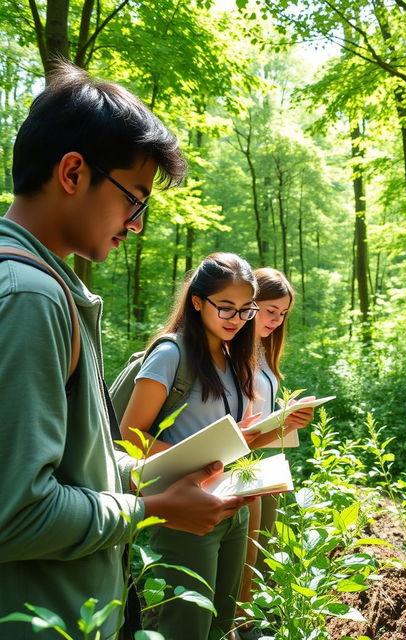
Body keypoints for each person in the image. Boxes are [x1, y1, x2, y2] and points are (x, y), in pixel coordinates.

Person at [0, 62, 250, 640]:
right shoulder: (30, 296)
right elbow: (16, 511)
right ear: (71, 173)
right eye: (133, 198)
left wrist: (148, 474)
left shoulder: (49, 287)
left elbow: (69, 465)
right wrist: (154, 511)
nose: (136, 225)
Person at [119, 253, 297, 640]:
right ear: (197, 301)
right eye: (226, 308)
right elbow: (131, 435)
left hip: (234, 505)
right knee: (186, 624)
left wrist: (272, 428)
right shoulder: (172, 354)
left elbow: (231, 435)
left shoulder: (235, 357)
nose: (236, 320)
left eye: (246, 310)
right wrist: (195, 459)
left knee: (221, 622)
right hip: (187, 507)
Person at [236, 267, 313, 640]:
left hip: (267, 457)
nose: (275, 320)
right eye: (270, 310)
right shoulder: (231, 348)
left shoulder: (264, 350)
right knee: (245, 551)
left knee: (264, 542)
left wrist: (288, 418)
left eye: (282, 314)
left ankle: (256, 617)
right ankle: (241, 624)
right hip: (241, 462)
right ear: (250, 304)